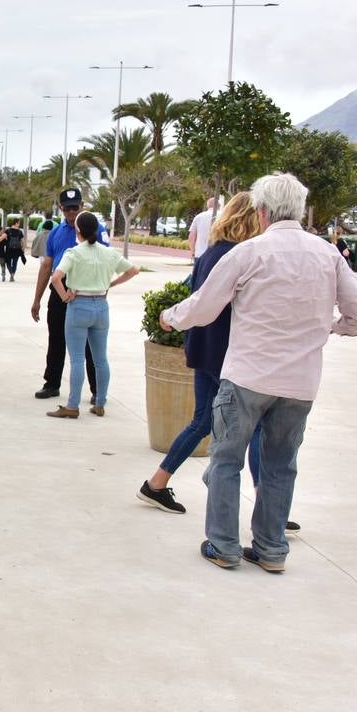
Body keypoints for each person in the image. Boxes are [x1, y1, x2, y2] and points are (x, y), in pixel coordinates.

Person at [161, 173, 357, 572]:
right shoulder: (327, 254)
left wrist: (171, 317)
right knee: (280, 464)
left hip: (247, 377)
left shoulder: (249, 253)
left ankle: (224, 546)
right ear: (299, 209)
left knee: (226, 460)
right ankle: (271, 550)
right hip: (300, 383)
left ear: (262, 211)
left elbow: (205, 307)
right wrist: (331, 327)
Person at [136, 193, 269, 515]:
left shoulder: (212, 252)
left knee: (202, 422)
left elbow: (194, 292)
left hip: (204, 346)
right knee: (258, 427)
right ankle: (268, 505)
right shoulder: (240, 255)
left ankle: (156, 483)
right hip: (226, 352)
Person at [45, 211, 140, 418]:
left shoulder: (74, 252)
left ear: (77, 230)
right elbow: (134, 270)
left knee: (77, 359)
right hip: (101, 306)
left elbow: (56, 277)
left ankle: (72, 405)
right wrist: (111, 284)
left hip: (79, 306)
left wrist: (64, 296)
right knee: (100, 358)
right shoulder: (108, 252)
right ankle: (100, 402)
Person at [31, 189, 99, 401]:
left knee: (89, 344)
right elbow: (46, 267)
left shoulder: (94, 230)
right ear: (61, 208)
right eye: (67, 208)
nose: (71, 212)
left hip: (86, 292)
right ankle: (52, 383)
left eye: (75, 207)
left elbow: (103, 261)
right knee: (56, 339)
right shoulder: (55, 234)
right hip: (59, 292)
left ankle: (97, 390)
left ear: (82, 206)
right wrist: (37, 299)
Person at [186, 196, 220, 261]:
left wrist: (193, 252)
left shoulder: (199, 217)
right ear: (219, 206)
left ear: (208, 206)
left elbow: (191, 238)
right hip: (218, 255)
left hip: (200, 254)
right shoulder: (224, 216)